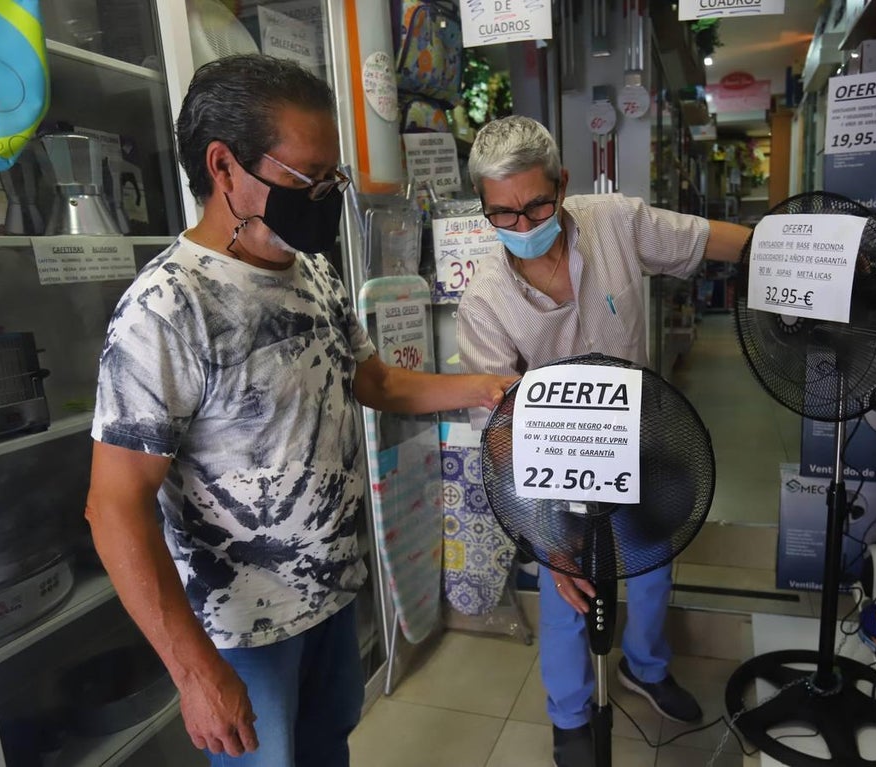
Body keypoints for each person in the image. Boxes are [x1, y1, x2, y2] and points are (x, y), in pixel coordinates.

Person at [84, 55, 514, 767]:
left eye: (332, 179)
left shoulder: (311, 269)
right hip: (243, 631)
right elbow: (113, 506)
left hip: (331, 596)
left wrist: (488, 387)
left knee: (327, 752)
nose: (323, 196)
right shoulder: (167, 309)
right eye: (307, 179)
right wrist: (195, 672)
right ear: (224, 168)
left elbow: (375, 382)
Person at [457, 115, 751, 767]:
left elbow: (707, 239)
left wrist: (789, 247)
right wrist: (547, 536)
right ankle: (568, 713)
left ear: (562, 182)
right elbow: (499, 429)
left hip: (642, 441)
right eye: (501, 213)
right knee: (570, 591)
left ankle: (644, 666)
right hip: (553, 468)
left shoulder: (613, 220)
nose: (522, 222)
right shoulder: (484, 302)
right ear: (484, 208)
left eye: (536, 203)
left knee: (650, 565)